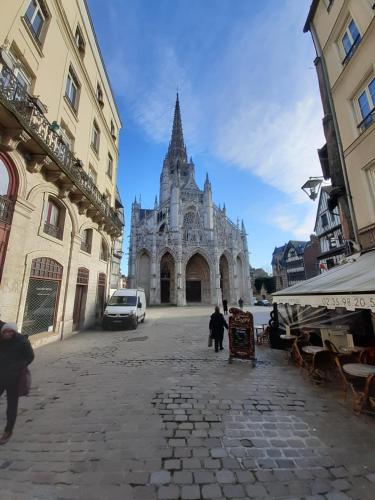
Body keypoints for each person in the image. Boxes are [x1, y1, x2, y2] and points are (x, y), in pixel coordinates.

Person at [0, 323, 34, 445]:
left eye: (10, 332)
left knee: (12, 406)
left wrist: (19, 366)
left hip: (14, 379)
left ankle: (8, 431)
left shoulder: (22, 341)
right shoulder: (2, 341)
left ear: (14, 332)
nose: (8, 334)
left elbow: (30, 357)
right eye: (5, 332)